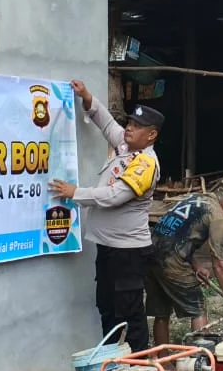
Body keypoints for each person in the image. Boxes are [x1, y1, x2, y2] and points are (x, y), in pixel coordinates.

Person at [49, 80, 161, 353]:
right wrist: (87, 97)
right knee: (107, 308)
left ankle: (137, 368)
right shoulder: (126, 149)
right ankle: (111, 368)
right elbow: (108, 124)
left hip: (128, 253)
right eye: (130, 123)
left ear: (151, 135)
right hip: (109, 249)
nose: (129, 129)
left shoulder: (145, 163)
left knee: (129, 314)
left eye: (136, 126)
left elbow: (114, 197)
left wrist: (75, 193)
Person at [146, 178, 223, 346]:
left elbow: (177, 236)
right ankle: (200, 358)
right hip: (172, 261)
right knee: (198, 308)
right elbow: (220, 265)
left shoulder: (194, 199)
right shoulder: (218, 217)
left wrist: (196, 265)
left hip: (152, 253)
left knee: (162, 312)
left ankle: (162, 359)